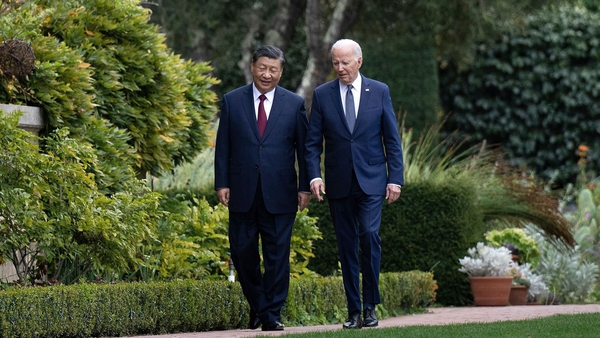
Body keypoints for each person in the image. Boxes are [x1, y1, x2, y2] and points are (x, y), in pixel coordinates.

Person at [305, 39, 404, 329]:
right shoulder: (322, 95)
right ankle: (353, 311)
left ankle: (371, 307)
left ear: (359, 62)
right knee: (346, 246)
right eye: (335, 62)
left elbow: (392, 140)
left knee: (370, 237)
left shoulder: (380, 91)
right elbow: (312, 144)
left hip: (372, 181)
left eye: (345, 62)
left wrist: (395, 178)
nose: (340, 68)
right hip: (338, 183)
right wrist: (314, 175)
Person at [214, 45, 310, 332]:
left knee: (278, 255)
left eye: (274, 69)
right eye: (262, 68)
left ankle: (270, 314)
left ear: (281, 72)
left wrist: (305, 186)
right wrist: (222, 183)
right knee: (242, 253)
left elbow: (304, 150)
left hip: (280, 192)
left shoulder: (294, 104)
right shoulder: (232, 101)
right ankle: (259, 305)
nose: (267, 74)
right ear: (252, 66)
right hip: (242, 191)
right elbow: (223, 147)